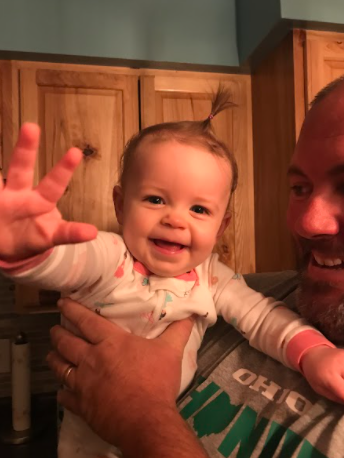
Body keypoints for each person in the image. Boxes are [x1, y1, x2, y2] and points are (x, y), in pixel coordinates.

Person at [1, 87, 344, 458]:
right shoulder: (113, 257)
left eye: (199, 209)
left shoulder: (212, 277)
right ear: (120, 205)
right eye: (155, 199)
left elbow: (262, 318)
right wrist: (32, 250)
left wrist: (313, 355)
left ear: (222, 226)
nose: (175, 219)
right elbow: (74, 260)